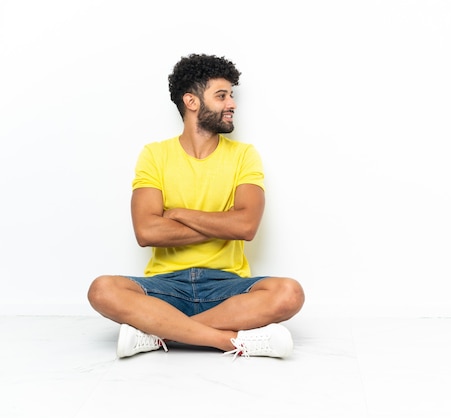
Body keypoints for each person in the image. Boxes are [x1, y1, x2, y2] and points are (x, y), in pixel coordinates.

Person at [87, 54, 305, 359]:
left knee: (289, 293)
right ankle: (227, 341)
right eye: (221, 95)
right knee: (102, 290)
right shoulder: (154, 154)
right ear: (191, 101)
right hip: (166, 287)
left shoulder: (244, 155)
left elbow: (245, 227)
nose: (232, 104)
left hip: (226, 287)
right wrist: (223, 224)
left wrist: (179, 214)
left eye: (231, 95)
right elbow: (147, 231)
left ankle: (159, 333)